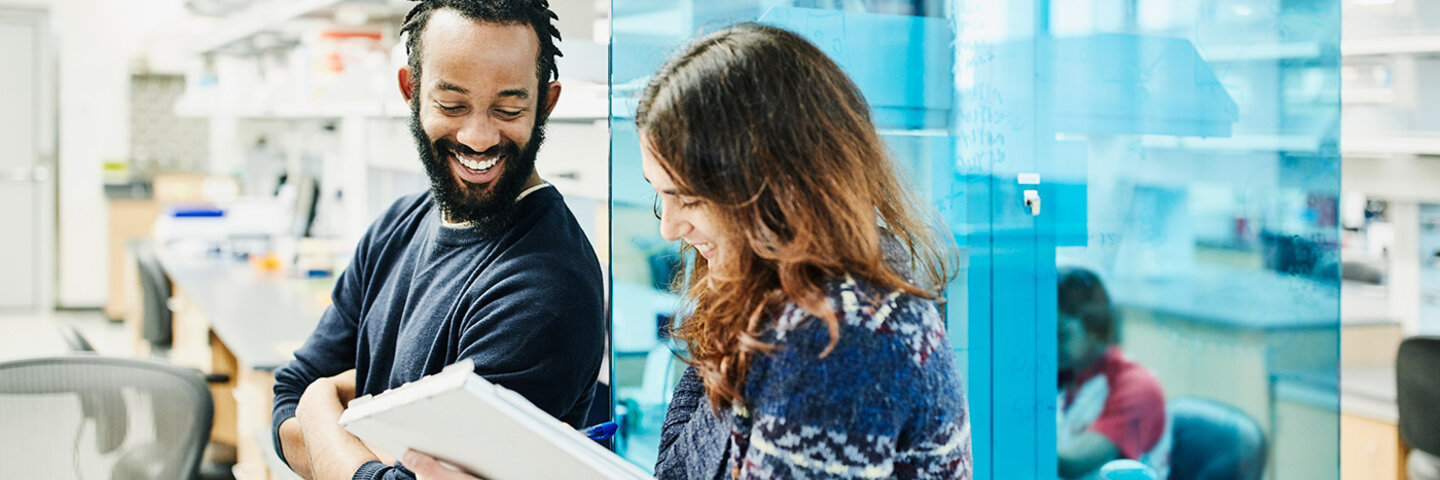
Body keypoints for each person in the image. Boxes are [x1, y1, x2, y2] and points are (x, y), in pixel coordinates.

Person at [269, 1, 606, 479]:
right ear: (411, 91)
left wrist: (320, 401)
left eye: (508, 108)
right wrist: (339, 433)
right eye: (452, 105)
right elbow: (286, 398)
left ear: (546, 103)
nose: (479, 136)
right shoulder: (396, 226)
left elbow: (305, 400)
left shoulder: (544, 289)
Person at [639, 23, 972, 479]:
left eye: (690, 199)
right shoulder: (772, 297)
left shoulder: (840, 334)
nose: (669, 228)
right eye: (662, 195)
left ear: (779, 189)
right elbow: (677, 464)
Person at [1056, 267, 1169, 480]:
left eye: (1061, 332)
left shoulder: (1137, 385)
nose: (1050, 344)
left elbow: (1073, 463)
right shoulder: (1066, 375)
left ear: (1094, 326)